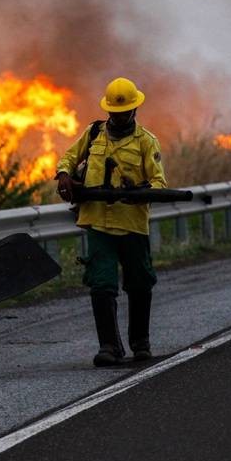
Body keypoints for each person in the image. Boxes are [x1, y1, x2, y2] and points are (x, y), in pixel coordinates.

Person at [55, 77, 167, 367]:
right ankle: (109, 347)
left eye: (123, 112)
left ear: (134, 111)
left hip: (131, 224)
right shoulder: (94, 134)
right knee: (101, 284)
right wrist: (64, 174)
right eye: (114, 113)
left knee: (139, 283)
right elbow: (69, 156)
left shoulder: (146, 141)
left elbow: (159, 182)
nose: (118, 117)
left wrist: (139, 191)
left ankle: (140, 343)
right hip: (98, 223)